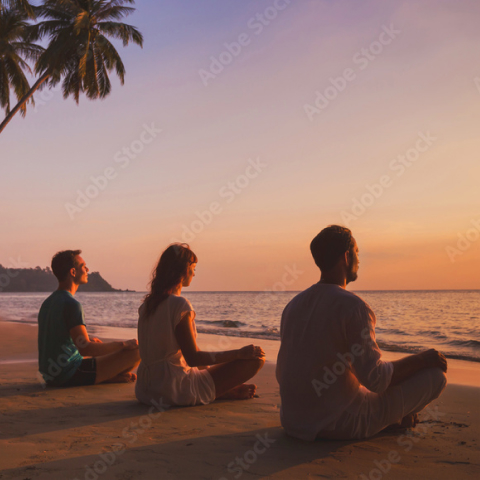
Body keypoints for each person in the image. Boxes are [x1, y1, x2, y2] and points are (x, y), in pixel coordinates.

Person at [276, 225, 447, 441]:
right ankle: (389, 421)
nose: (359, 258)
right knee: (436, 376)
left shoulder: (294, 305)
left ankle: (393, 419)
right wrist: (422, 359)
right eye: (357, 252)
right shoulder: (354, 307)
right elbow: (375, 379)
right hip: (339, 423)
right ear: (346, 256)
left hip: (293, 421)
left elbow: (284, 371)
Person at [135, 243, 265, 407]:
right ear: (184, 269)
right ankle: (220, 391)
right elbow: (193, 358)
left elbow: (184, 358)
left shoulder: (147, 305)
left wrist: (212, 371)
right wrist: (238, 353)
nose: (194, 274)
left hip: (145, 390)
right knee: (256, 359)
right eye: (194, 267)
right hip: (172, 391)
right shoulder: (179, 305)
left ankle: (221, 389)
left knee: (200, 370)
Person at [38, 250, 140, 387]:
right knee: (137, 351)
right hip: (68, 375)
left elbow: (56, 341)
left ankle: (108, 376)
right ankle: (105, 377)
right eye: (83, 266)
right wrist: (123, 344)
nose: (87, 269)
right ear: (73, 272)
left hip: (49, 376)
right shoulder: (72, 304)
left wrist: (89, 342)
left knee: (96, 343)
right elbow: (85, 350)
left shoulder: (48, 303)